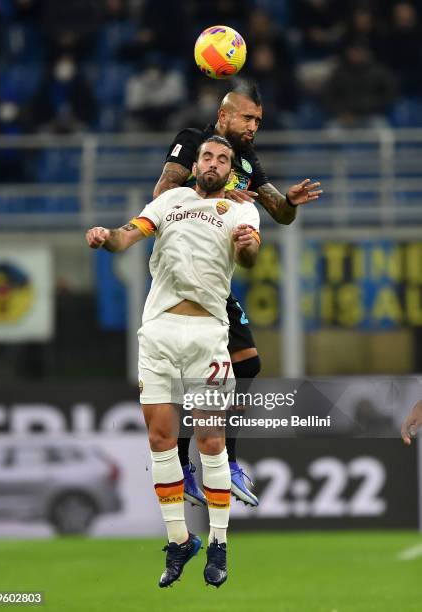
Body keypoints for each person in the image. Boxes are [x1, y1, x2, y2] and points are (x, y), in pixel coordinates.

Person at [86, 135, 260, 588]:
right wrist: (107, 238)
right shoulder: (168, 202)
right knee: (161, 439)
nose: (214, 163)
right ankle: (179, 541)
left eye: (223, 159)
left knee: (209, 441)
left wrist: (245, 245)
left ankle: (219, 543)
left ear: (230, 170)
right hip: (158, 331)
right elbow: (128, 236)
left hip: (207, 334)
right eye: (207, 156)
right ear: (196, 162)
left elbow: (250, 255)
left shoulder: (240, 208)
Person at [153, 81, 322, 507]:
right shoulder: (193, 143)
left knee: (246, 365)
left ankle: (220, 462)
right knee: (200, 375)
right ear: (224, 115)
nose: (253, 127)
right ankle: (189, 466)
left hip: (215, 283)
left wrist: (292, 202)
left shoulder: (246, 159)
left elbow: (279, 212)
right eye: (247, 118)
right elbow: (162, 195)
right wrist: (220, 195)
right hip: (180, 276)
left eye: (258, 121)